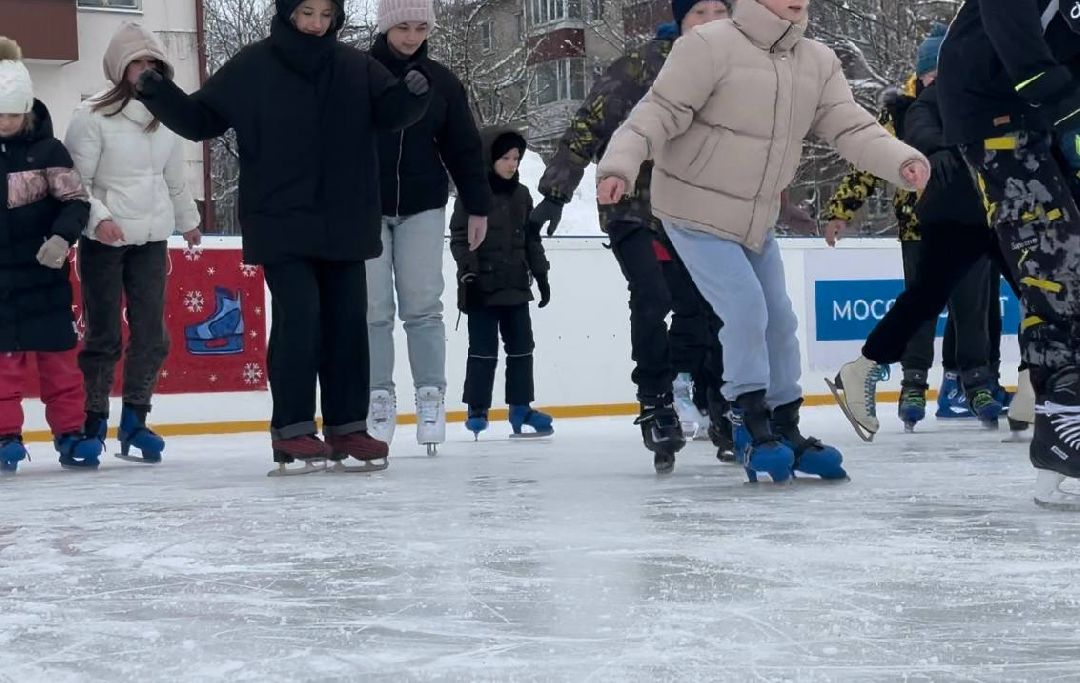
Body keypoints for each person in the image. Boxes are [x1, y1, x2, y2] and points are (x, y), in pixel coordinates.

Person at [597, 0, 929, 483]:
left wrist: (902, 161)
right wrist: (619, 166)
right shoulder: (708, 46)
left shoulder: (817, 61)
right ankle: (746, 420)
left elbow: (851, 127)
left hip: (753, 217)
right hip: (690, 208)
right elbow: (657, 112)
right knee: (746, 307)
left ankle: (785, 426)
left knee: (779, 318)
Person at [133, 0, 431, 473]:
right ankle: (292, 429)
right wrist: (156, 91)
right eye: (306, 13)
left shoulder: (356, 67)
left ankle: (347, 425)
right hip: (281, 218)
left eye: (325, 15)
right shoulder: (253, 66)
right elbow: (199, 120)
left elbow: (391, 112)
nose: (316, 24)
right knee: (301, 316)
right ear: (288, 12)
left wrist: (414, 95)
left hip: (345, 218)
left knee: (348, 321)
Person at [534, 0, 732, 473]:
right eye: (700, 12)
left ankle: (719, 402)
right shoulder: (643, 65)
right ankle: (656, 400)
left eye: (721, 12)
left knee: (709, 307)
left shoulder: (734, 70)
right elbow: (590, 123)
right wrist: (556, 191)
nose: (711, 22)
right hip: (634, 205)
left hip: (697, 210)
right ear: (681, 20)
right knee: (652, 295)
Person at [935, 0, 1080, 508]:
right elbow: (1010, 18)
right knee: (1055, 260)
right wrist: (1059, 96)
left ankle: (1066, 414)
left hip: (1048, 110)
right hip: (994, 106)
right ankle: (1064, 419)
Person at [826, 29, 1005, 434]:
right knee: (922, 305)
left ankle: (976, 380)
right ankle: (912, 382)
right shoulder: (903, 113)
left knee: (971, 307)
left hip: (974, 221)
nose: (938, 82)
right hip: (919, 226)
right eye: (931, 75)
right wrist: (841, 211)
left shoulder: (974, 105)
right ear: (920, 77)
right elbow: (866, 165)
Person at [64, 23, 202, 464]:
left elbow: (175, 180)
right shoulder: (90, 117)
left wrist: (189, 221)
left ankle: (136, 419)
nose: (146, 71)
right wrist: (99, 220)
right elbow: (74, 183)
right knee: (103, 334)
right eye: (137, 63)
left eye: (153, 64)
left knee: (152, 334)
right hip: (104, 240)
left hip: (151, 239)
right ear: (119, 68)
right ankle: (93, 420)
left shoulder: (167, 121)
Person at [366, 0, 490, 455]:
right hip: (366, 208)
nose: (412, 36)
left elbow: (463, 147)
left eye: (420, 27)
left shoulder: (442, 82)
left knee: (423, 305)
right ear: (386, 26)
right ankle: (378, 398)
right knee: (373, 309)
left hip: (422, 206)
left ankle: (430, 397)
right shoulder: (360, 73)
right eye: (403, 27)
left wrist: (478, 207)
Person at [0, 37, 103, 473]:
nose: (3, 121)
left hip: (44, 275)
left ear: (27, 111)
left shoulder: (49, 152)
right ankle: (5, 436)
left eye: (11, 113)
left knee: (60, 364)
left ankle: (71, 434)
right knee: (4, 368)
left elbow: (76, 201)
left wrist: (62, 239)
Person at [450, 129, 553, 439]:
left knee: (522, 348)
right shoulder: (473, 195)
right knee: (483, 351)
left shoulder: (522, 195)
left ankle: (520, 407)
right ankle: (477, 409)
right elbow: (459, 237)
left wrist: (542, 274)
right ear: (490, 159)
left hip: (516, 285)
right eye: (505, 158)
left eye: (516, 158)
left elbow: (531, 239)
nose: (511, 164)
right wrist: (468, 271)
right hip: (482, 286)